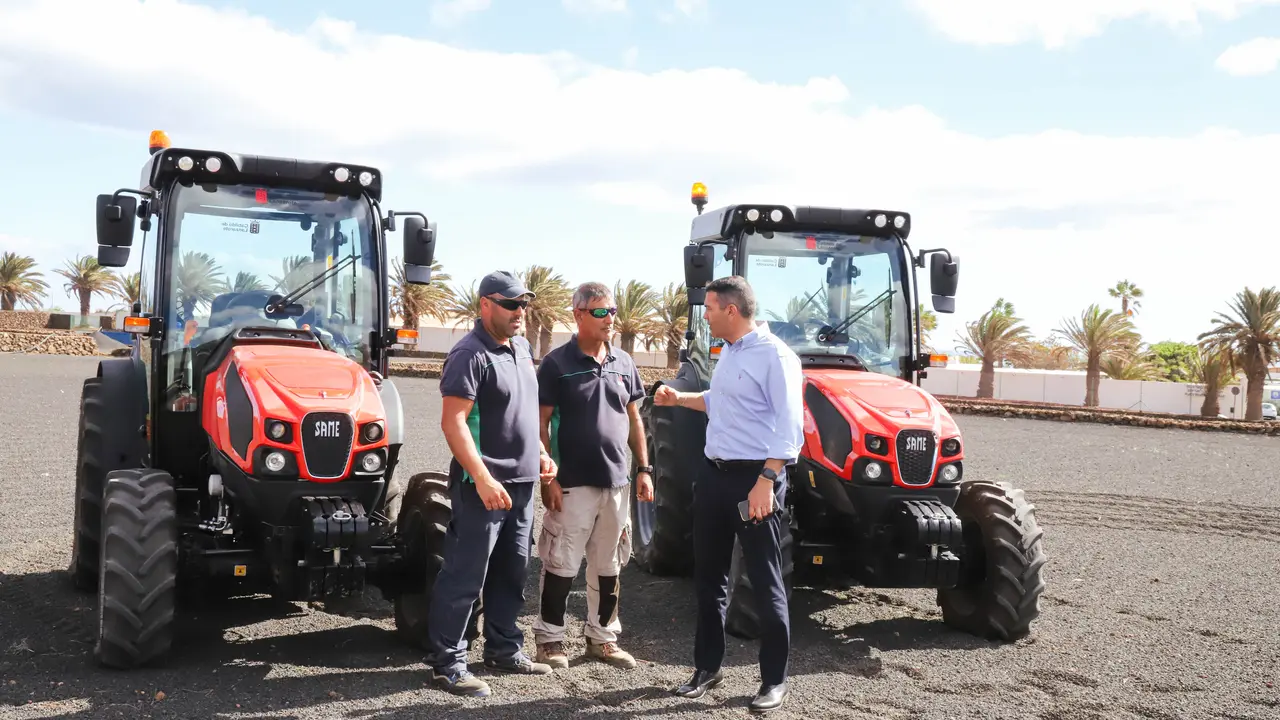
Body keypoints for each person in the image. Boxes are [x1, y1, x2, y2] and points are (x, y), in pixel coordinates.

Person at [653, 275, 803, 713]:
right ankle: (707, 668)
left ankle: (774, 681)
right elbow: (721, 402)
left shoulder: (777, 357)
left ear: (732, 311)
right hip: (715, 477)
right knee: (709, 578)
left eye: (711, 308)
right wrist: (679, 400)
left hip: (754, 482)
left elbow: (788, 426)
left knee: (765, 581)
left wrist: (767, 481)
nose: (706, 316)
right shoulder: (731, 352)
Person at [427, 270, 559, 698]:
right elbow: (454, 423)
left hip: (521, 486)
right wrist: (482, 478)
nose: (520, 312)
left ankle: (504, 648)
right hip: (482, 486)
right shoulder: (469, 354)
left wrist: (540, 454)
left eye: (524, 304)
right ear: (485, 305)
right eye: (511, 304)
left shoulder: (521, 347)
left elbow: (521, 412)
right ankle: (448, 662)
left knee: (511, 573)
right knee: (465, 575)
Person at [531, 282, 655, 671]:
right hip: (571, 483)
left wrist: (644, 469)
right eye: (601, 312)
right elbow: (541, 423)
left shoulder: (624, 363)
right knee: (561, 562)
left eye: (613, 311)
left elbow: (635, 418)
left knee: (609, 565)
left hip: (617, 483)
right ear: (579, 315)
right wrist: (547, 477)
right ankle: (550, 640)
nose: (610, 319)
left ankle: (602, 639)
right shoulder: (556, 364)